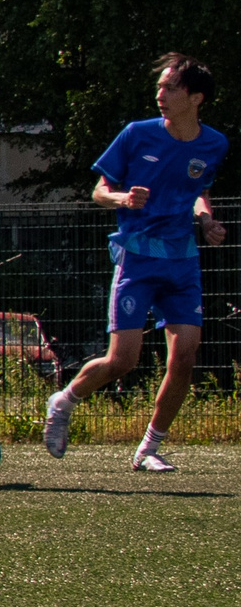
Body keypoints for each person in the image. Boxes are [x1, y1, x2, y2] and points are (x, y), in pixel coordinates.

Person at [43, 54, 227, 472]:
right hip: (137, 258)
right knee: (122, 360)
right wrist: (121, 198)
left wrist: (205, 219)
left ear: (195, 98)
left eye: (170, 88)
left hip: (182, 261)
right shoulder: (136, 135)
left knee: (185, 355)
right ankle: (64, 400)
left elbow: (198, 189)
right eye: (159, 86)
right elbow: (98, 191)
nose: (159, 94)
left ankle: (149, 449)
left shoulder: (214, 143)